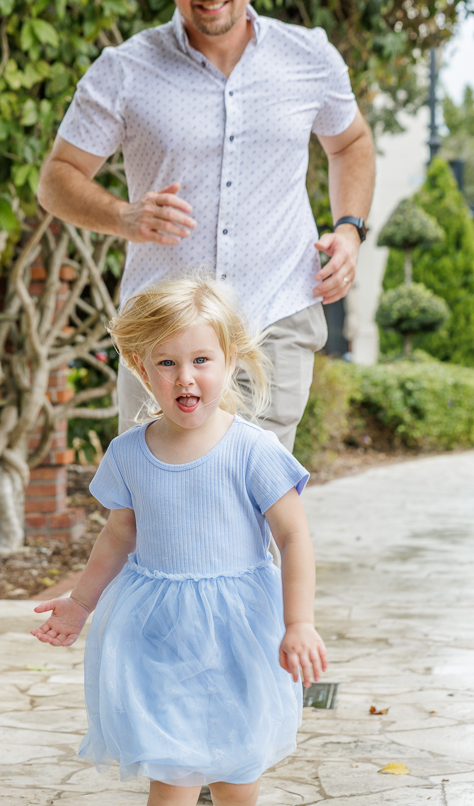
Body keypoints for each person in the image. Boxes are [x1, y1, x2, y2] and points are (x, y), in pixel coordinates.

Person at [38, 0, 375, 452]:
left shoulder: (309, 55)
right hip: (159, 332)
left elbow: (350, 144)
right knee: (153, 500)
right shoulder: (125, 69)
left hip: (273, 317)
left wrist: (350, 229)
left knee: (257, 501)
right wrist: (124, 215)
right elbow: (56, 179)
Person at [31, 271, 327, 806]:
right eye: (166, 363)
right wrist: (78, 604)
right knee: (173, 773)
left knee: (238, 772)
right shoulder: (128, 453)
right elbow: (118, 536)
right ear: (142, 369)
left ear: (230, 360)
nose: (185, 378)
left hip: (239, 627)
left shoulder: (252, 451)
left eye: (201, 361)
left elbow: (294, 536)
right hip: (157, 628)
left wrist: (298, 622)